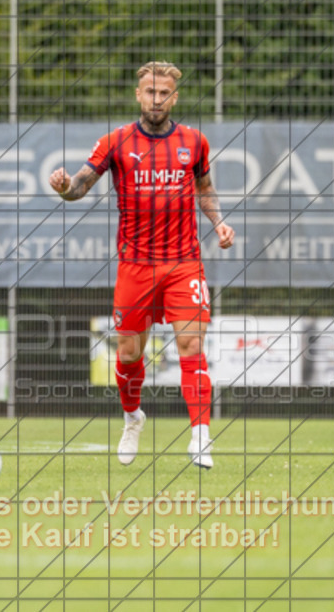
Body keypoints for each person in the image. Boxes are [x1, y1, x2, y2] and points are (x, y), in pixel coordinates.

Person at [48, 61, 235, 469]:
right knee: (130, 352)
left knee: (192, 346)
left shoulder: (194, 141)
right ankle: (133, 418)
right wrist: (65, 189)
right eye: (150, 92)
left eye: (164, 93)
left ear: (174, 97)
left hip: (184, 262)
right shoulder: (116, 142)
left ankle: (200, 436)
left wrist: (219, 222)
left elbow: (205, 188)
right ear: (139, 95)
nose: (157, 99)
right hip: (135, 266)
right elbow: (80, 185)